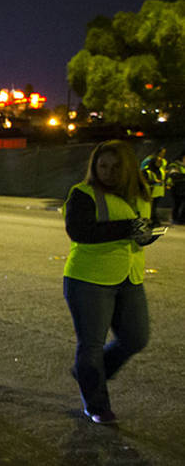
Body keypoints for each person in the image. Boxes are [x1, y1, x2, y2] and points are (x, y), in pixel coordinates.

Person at [63, 140, 160, 424]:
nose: (108, 172)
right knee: (90, 345)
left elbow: (142, 225)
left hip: (130, 277)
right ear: (94, 167)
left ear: (128, 168)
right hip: (88, 279)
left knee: (135, 338)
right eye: (102, 166)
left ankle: (89, 372)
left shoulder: (141, 194)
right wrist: (127, 229)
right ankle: (96, 405)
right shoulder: (83, 193)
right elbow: (79, 231)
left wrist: (147, 233)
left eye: (116, 167)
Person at [140, 147, 167, 226]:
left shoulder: (162, 164)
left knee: (154, 206)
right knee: (151, 207)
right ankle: (153, 221)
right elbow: (143, 175)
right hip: (150, 189)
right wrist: (154, 181)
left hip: (158, 189)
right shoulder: (148, 164)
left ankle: (153, 220)